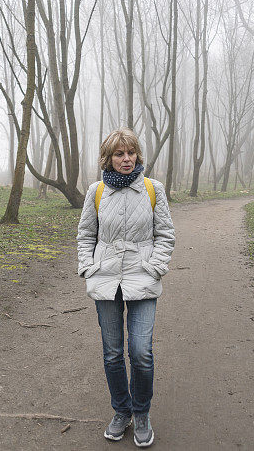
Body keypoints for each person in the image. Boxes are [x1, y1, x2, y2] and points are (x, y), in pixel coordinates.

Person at [76, 127, 175, 447]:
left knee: (141, 352)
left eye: (130, 152)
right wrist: (88, 267)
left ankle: (142, 413)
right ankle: (122, 411)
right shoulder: (96, 191)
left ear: (138, 155)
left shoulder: (152, 189)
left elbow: (166, 235)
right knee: (113, 354)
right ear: (108, 158)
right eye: (119, 154)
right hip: (105, 279)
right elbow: (86, 236)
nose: (126, 159)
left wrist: (155, 266)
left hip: (143, 276)